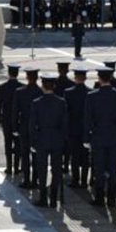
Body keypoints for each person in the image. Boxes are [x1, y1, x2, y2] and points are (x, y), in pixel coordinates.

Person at [85, 67, 116, 208]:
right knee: (113, 168)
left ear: (99, 78)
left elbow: (88, 119)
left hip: (98, 136)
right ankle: (112, 199)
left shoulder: (92, 95)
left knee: (99, 168)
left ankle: (100, 198)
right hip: (114, 136)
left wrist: (87, 138)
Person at [30, 77, 68, 208]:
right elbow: (65, 124)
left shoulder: (36, 103)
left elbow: (32, 125)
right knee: (56, 169)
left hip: (42, 138)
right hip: (56, 138)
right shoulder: (61, 102)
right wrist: (63, 139)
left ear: (43, 86)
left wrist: (33, 141)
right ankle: (53, 198)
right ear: (54, 87)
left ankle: (43, 198)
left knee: (42, 169)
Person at [12, 67, 43, 190]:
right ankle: (35, 179)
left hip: (24, 126)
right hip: (37, 128)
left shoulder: (19, 92)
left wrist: (14, 127)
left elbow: (15, 111)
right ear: (37, 78)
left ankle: (26, 179)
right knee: (36, 154)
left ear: (27, 77)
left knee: (24, 154)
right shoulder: (41, 92)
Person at [64, 63, 91, 188]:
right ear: (85, 78)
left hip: (73, 128)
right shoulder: (90, 93)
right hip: (86, 129)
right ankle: (84, 180)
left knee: (74, 156)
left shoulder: (68, 93)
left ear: (75, 77)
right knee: (85, 156)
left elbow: (66, 112)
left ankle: (75, 179)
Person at [0, 64, 22, 177]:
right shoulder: (22, 87)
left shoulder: (2, 87)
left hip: (6, 119)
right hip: (18, 120)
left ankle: (9, 166)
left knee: (8, 143)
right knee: (18, 144)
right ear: (17, 74)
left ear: (8, 73)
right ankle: (16, 167)